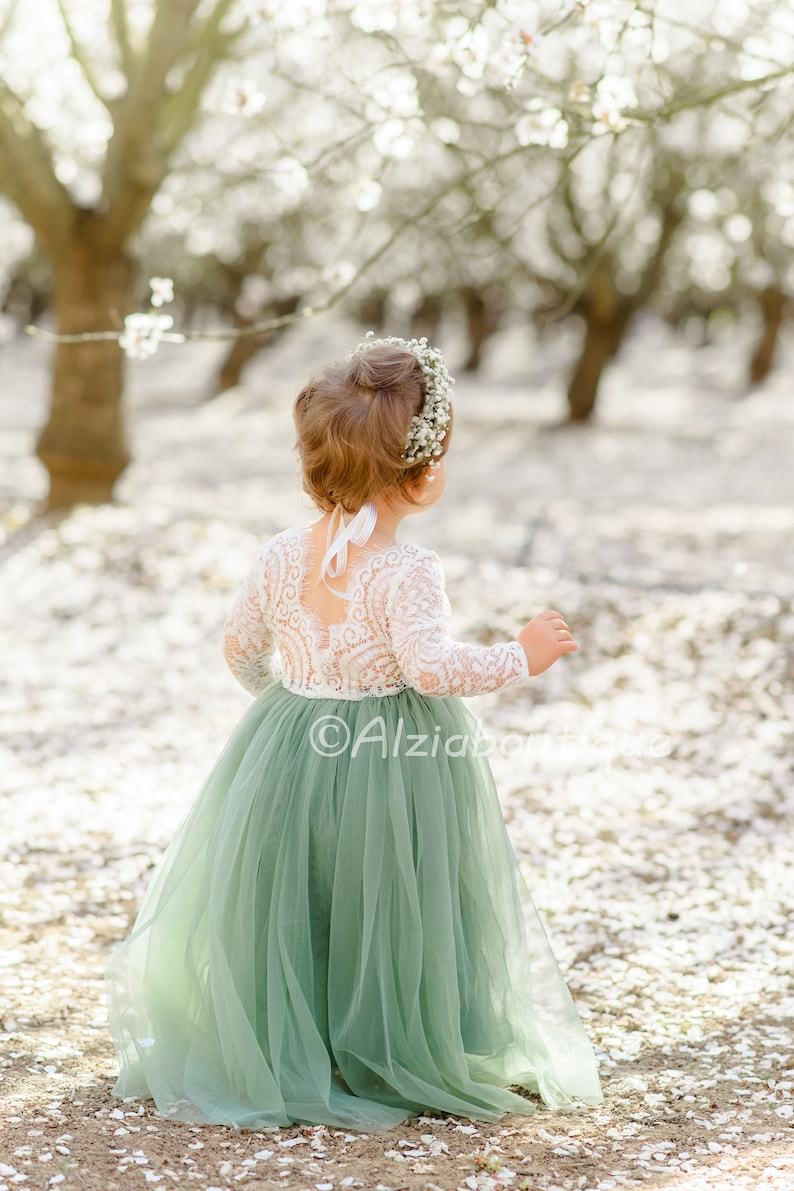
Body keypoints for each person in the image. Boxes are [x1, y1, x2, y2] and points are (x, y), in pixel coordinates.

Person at [106, 333, 603, 1131]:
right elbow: (432, 670)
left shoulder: (279, 554)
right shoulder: (407, 570)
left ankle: (306, 1033)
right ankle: (383, 1036)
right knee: (387, 894)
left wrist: (291, 705)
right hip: (389, 757)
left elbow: (238, 646)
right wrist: (525, 653)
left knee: (296, 888)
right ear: (427, 468)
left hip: (289, 743)